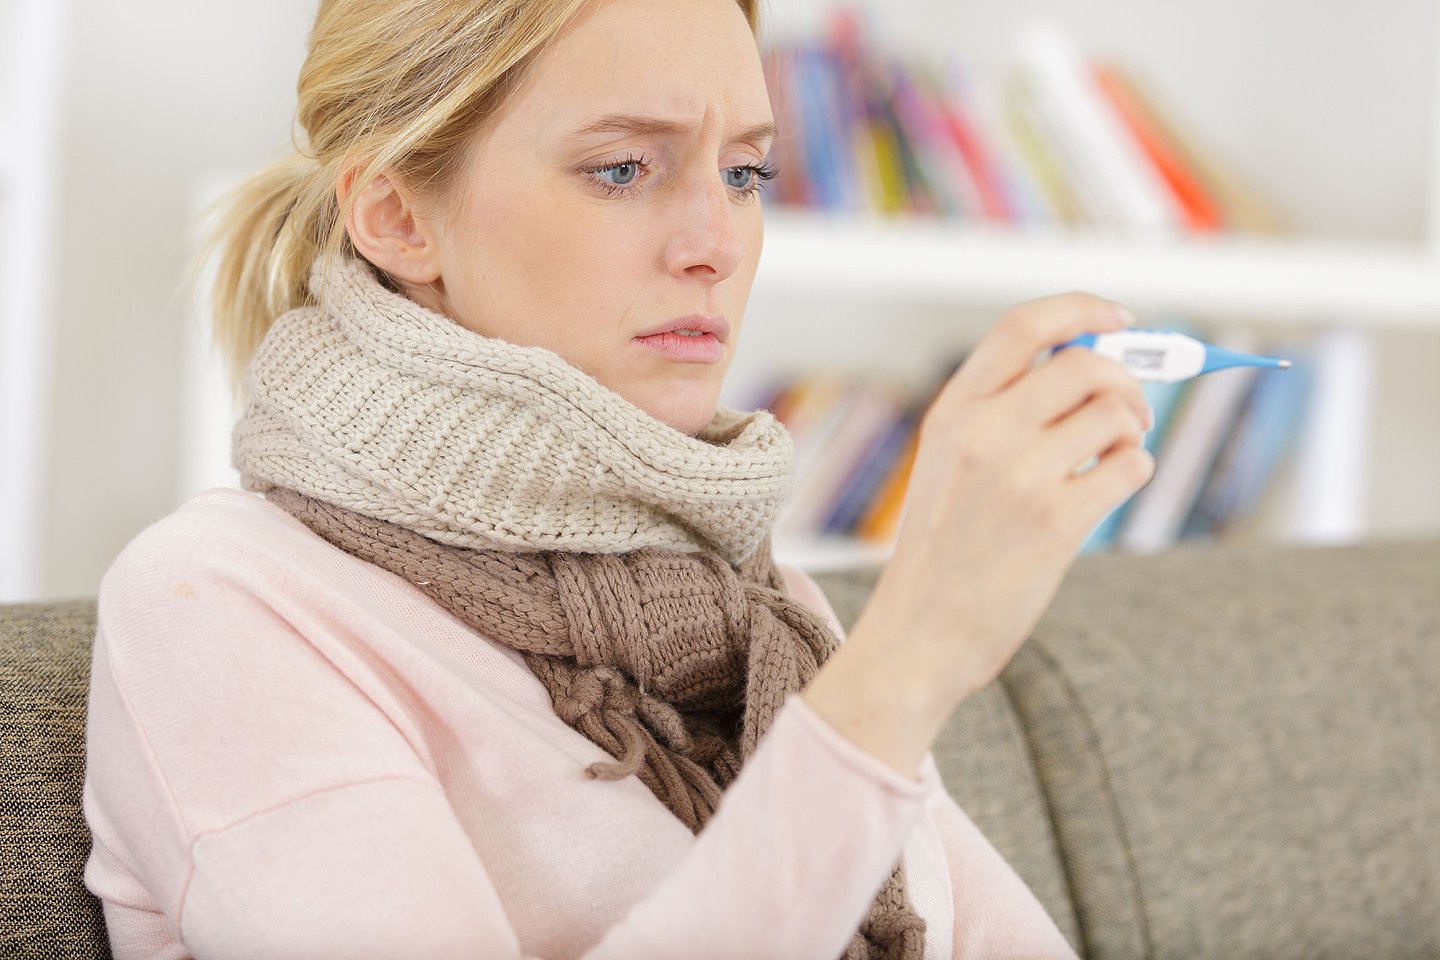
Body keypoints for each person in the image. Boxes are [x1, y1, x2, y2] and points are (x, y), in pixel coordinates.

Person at [80, 0, 1155, 956]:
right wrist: (906, 667)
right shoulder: (223, 604)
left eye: (744, 173)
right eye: (622, 168)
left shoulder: (757, 613)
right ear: (399, 216)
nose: (715, 244)